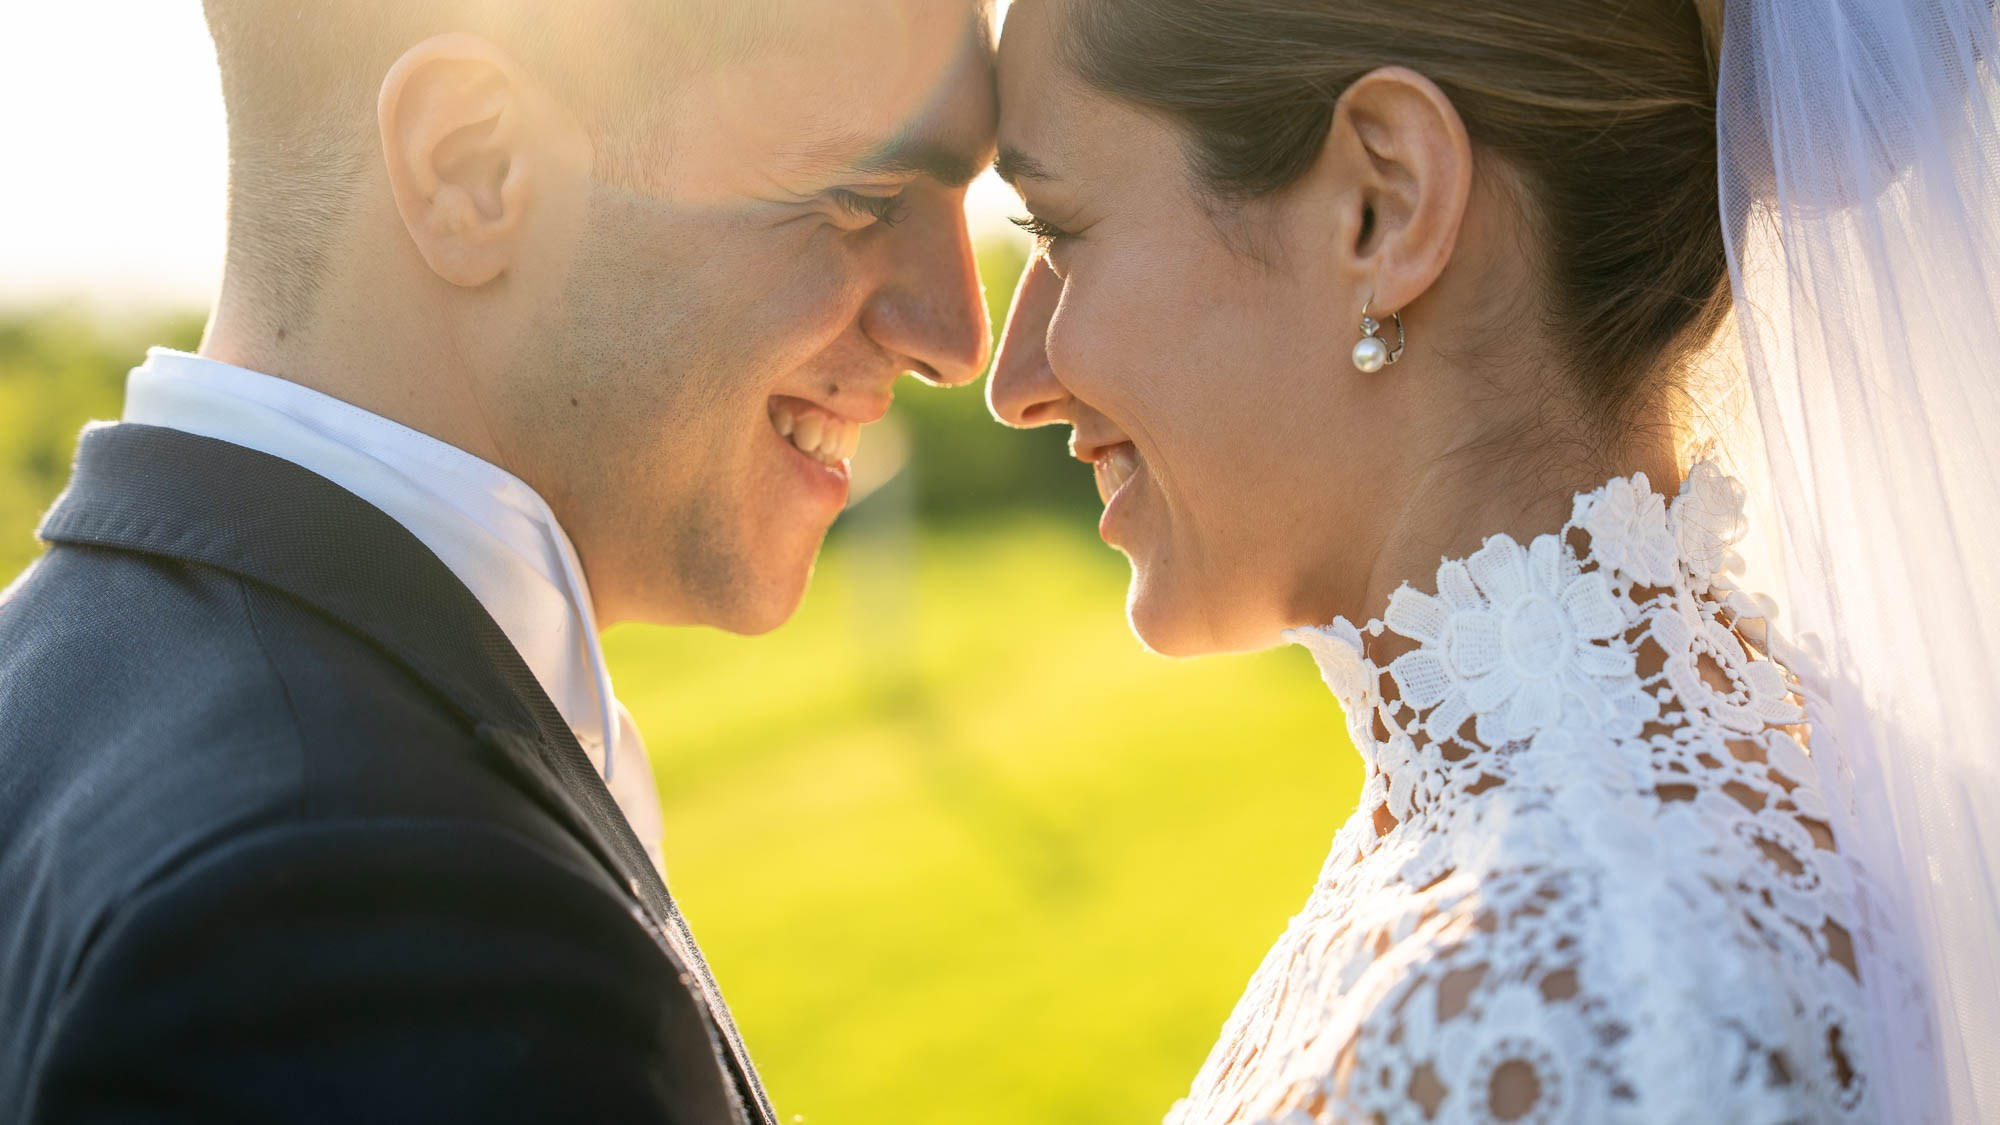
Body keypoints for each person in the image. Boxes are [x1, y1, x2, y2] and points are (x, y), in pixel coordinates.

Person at [989, 0, 1999, 1120]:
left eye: (1056, 231)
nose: (1012, 382)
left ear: (1384, 205)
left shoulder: (1554, 1001)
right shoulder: (1780, 780)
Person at [0, 1, 994, 1121]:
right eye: (863, 199)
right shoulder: (370, 924)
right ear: (471, 168)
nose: (961, 338)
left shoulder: (45, 679)